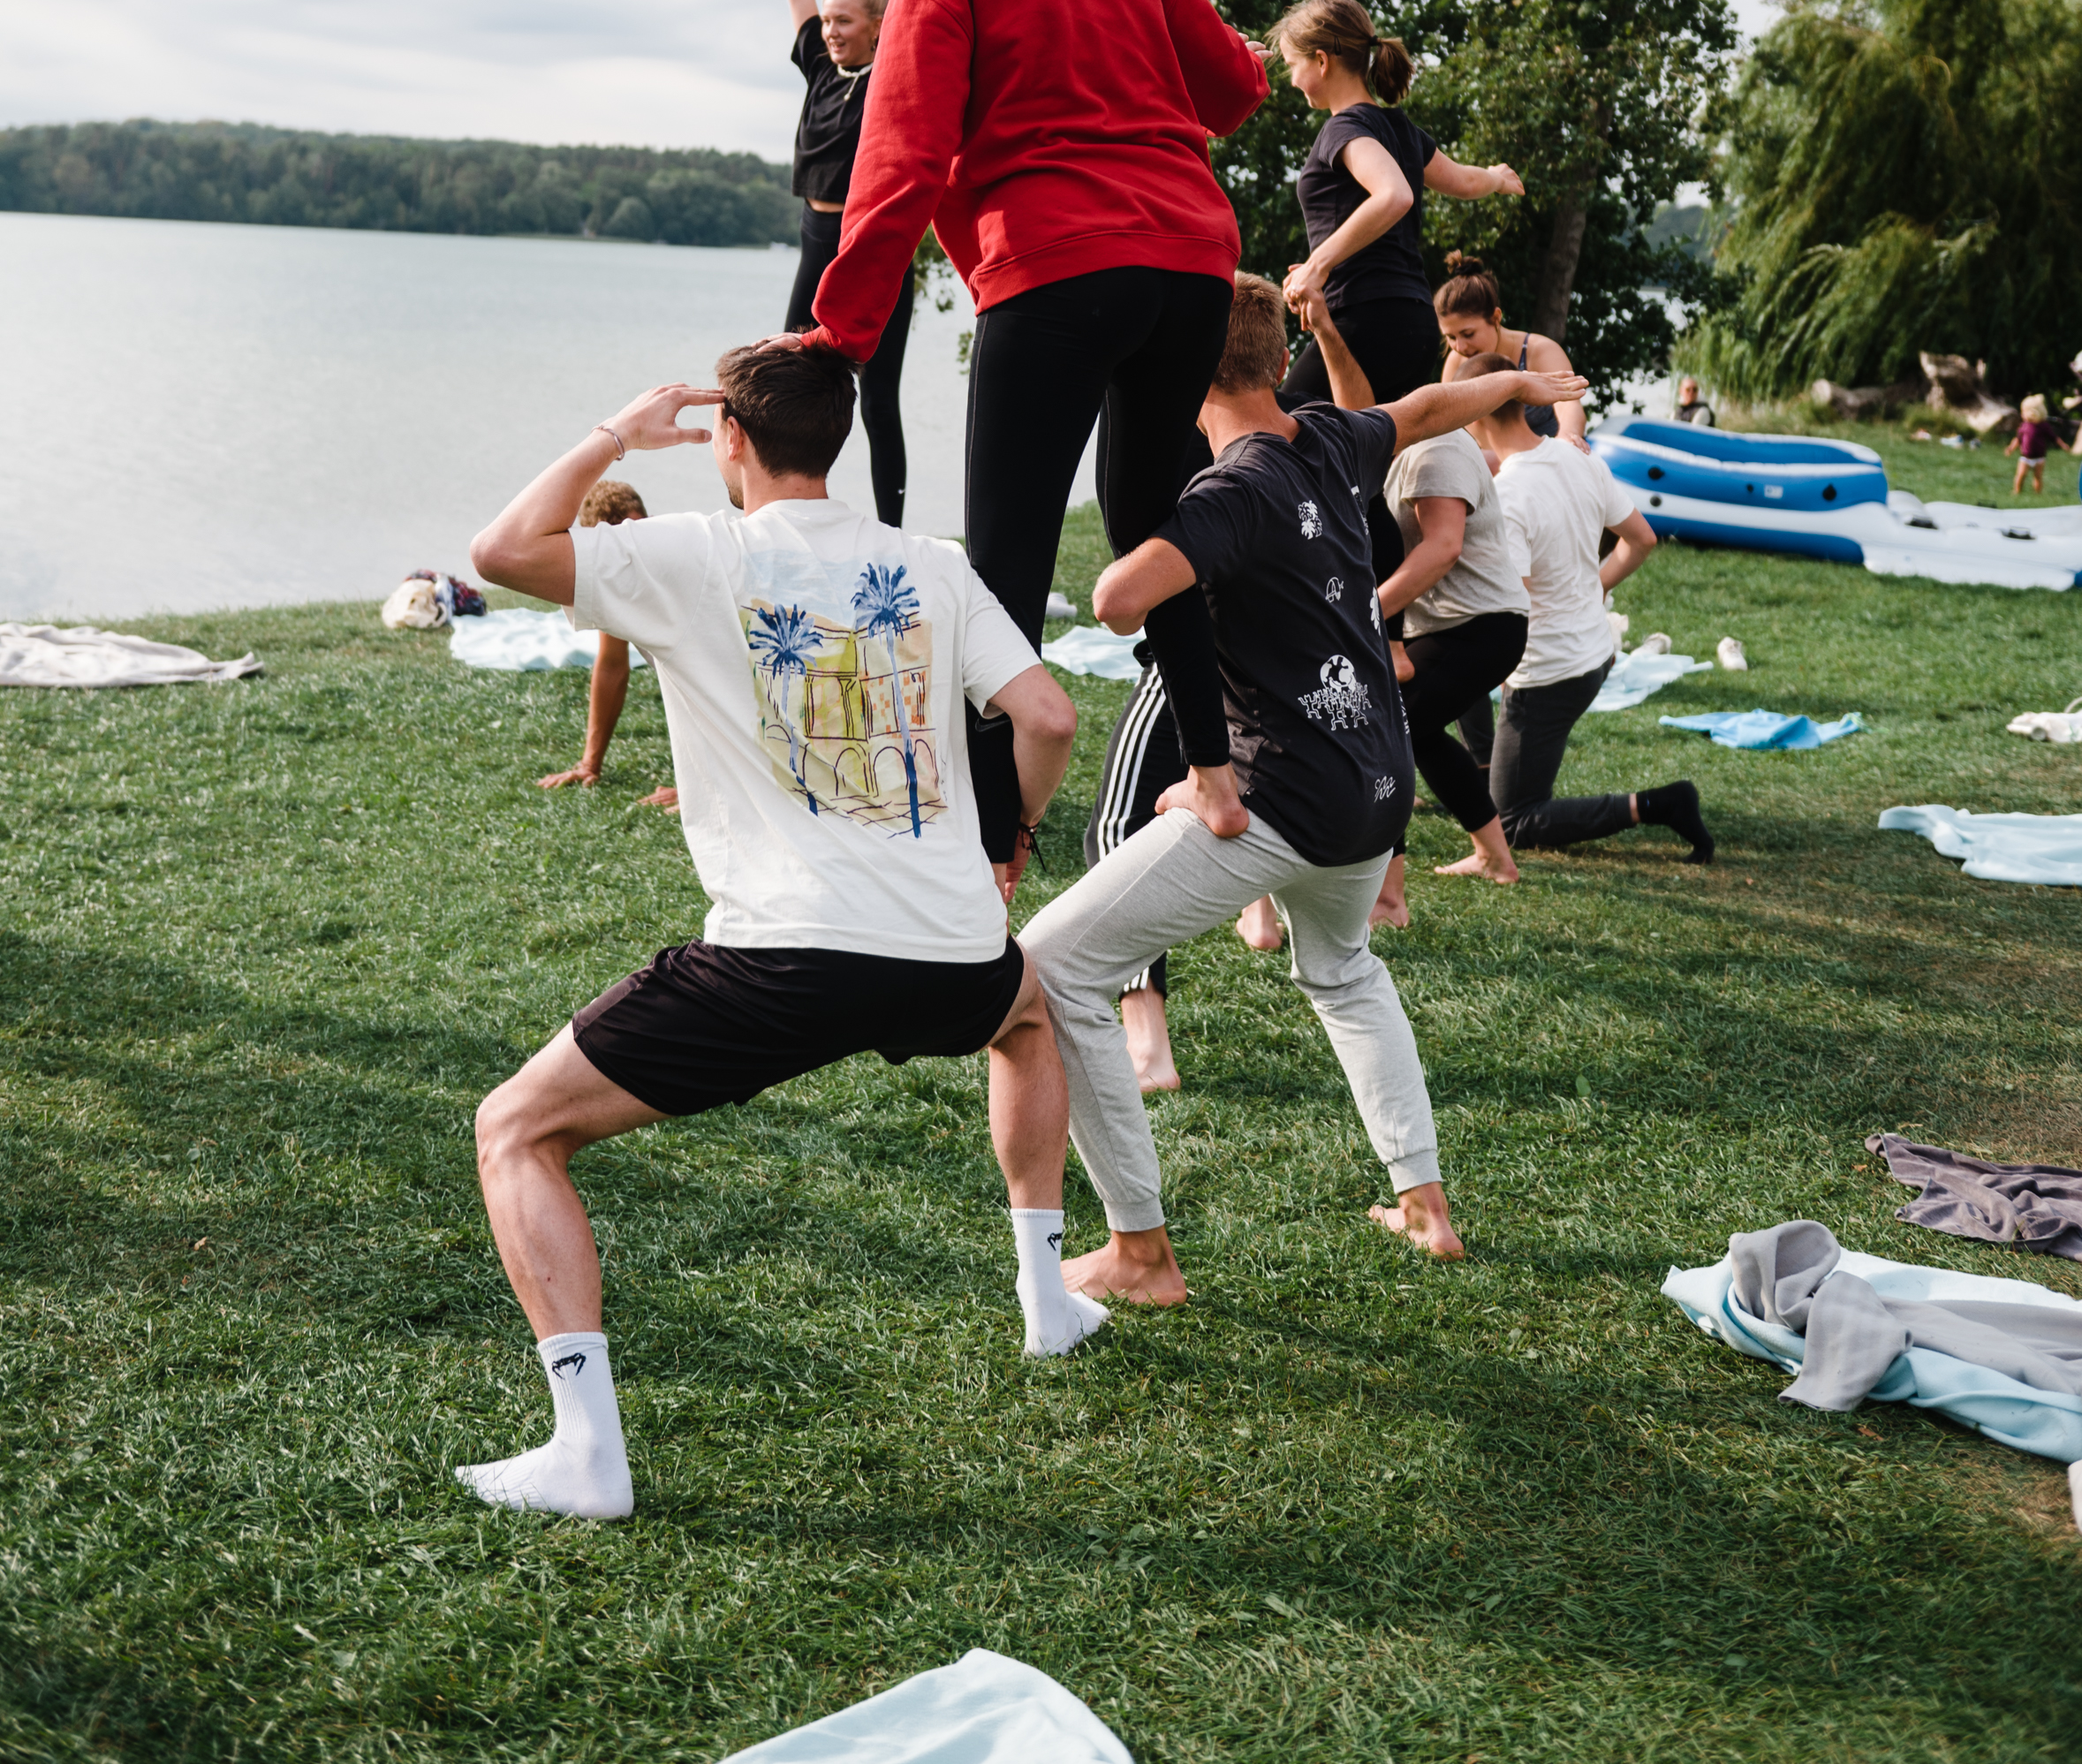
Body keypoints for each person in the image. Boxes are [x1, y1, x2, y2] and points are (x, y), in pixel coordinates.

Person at [459, 339, 1096, 1522]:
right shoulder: (932, 562)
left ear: (730, 440)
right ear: (840, 439)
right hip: (953, 952)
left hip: (783, 963)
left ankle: (586, 1451)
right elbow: (1046, 714)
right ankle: (1046, 1297)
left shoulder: (694, 552)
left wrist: (613, 428)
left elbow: (499, 550)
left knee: (515, 1129)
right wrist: (1011, 839)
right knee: (1025, 1012)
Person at [798, 0, 1268, 1094]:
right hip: (1187, 253)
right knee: (1153, 518)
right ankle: (1216, 776)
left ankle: (987, 856)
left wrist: (840, 332)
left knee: (1000, 557)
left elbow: (899, 154)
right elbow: (1235, 85)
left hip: (1057, 261)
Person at [1003, 273, 1589, 1309]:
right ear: (1283, 362)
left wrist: (1163, 562)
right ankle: (1423, 1205)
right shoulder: (1327, 438)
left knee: (1050, 969)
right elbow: (1422, 409)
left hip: (1283, 797)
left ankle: (1139, 1253)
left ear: (1184, 376)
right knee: (1342, 971)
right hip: (1374, 785)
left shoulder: (1226, 494)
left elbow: (1115, 599)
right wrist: (1513, 373)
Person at [1282, 289, 1527, 933]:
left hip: (1481, 625)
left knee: (1389, 728)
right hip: (1450, 625)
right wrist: (1328, 329)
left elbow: (1442, 549)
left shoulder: (1435, 448)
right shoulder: (1393, 446)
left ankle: (1389, 898)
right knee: (1414, 732)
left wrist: (1364, 614)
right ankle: (1494, 857)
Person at [1273, 0, 1528, 568]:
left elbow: (1395, 196)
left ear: (1320, 60)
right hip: (1408, 319)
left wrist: (1320, 265)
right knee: (1360, 470)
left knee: (1276, 433)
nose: (1291, 80)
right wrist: (1495, 178)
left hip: (1369, 319)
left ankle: (1368, 620)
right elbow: (1459, 180)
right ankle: (1385, 632)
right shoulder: (1401, 129)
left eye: (1291, 65)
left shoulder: (1344, 129)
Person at [1457, 358, 1714, 860]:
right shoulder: (1578, 457)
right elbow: (1641, 539)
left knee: (1511, 823)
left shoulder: (1507, 494)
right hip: (1596, 653)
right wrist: (1592, 587)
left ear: (1478, 414)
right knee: (1503, 801)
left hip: (1549, 674)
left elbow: (1516, 608)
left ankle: (1662, 804)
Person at [777, 0, 911, 524]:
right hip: (814, 239)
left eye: (844, 23)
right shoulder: (820, 68)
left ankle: (889, 529)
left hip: (873, 250)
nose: (829, 30)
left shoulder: (892, 72)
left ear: (878, 27)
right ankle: (777, 514)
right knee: (785, 379)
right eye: (828, 22)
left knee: (877, 400)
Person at [536, 480, 678, 807]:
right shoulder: (614, 583)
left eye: (639, 532)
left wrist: (702, 788)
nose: (634, 551)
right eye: (619, 546)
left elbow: (720, 680)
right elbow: (612, 665)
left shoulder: (675, 562)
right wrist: (590, 763)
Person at [1435, 256, 1588, 445]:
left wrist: (1568, 439)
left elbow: (1570, 406)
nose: (1460, 347)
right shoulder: (1456, 361)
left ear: (1496, 317)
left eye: (1468, 334)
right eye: (1451, 337)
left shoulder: (1540, 351)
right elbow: (1447, 427)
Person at [2008, 394, 2056, 496]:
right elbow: (2018, 439)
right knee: (2021, 475)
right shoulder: (2024, 426)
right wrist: (2011, 448)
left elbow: (2053, 437)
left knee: (2038, 477)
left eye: (2023, 412)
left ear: (2032, 413)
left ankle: (2038, 493)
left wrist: (2063, 445)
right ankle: (2017, 491)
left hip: (2039, 458)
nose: (2022, 415)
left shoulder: (2043, 426)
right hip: (2025, 457)